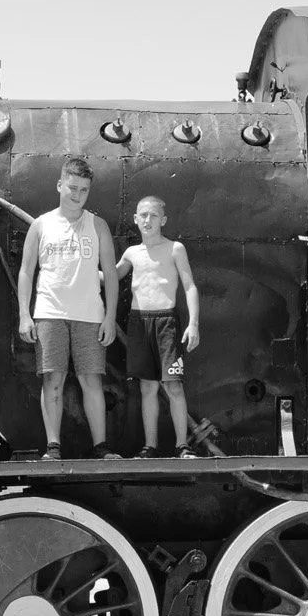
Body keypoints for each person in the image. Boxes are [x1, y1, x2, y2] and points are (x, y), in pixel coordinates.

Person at [17, 156, 119, 457]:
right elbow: (26, 270)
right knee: (53, 380)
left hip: (90, 315)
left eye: (84, 190)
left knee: (91, 381)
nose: (77, 195)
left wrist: (110, 317)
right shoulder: (40, 225)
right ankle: (53, 447)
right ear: (60, 184)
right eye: (72, 188)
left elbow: (110, 274)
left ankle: (101, 448)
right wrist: (25, 314)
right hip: (49, 313)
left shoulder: (97, 225)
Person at [113, 195, 201, 455]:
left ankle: (182, 445)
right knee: (147, 387)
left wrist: (193, 324)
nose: (147, 220)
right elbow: (111, 276)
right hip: (139, 323)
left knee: (173, 385)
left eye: (153, 215)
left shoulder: (175, 248)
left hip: (166, 322)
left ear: (163, 219)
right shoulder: (131, 253)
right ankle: (149, 446)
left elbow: (190, 286)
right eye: (143, 215)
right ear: (135, 219)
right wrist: (80, 267)